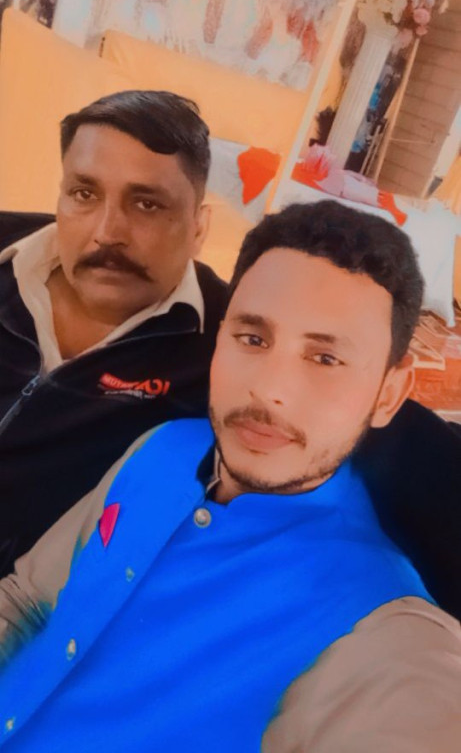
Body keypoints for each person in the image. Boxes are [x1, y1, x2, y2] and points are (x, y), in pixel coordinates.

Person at [1, 201, 460, 752]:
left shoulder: (383, 630)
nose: (269, 389)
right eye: (253, 339)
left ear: (388, 394)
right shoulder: (164, 446)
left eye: (325, 359)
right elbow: (28, 599)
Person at [0, 89, 228, 575]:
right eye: (84, 194)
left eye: (146, 204)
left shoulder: (229, 342)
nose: (107, 232)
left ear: (199, 227)